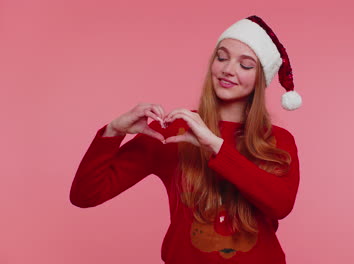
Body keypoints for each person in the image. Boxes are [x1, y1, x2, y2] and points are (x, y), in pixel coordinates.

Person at [70, 15, 302, 263]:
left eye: (245, 65)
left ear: (260, 79)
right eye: (221, 57)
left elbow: (281, 205)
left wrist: (214, 145)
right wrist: (113, 132)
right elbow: (85, 196)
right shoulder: (175, 131)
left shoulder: (277, 140)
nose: (228, 69)